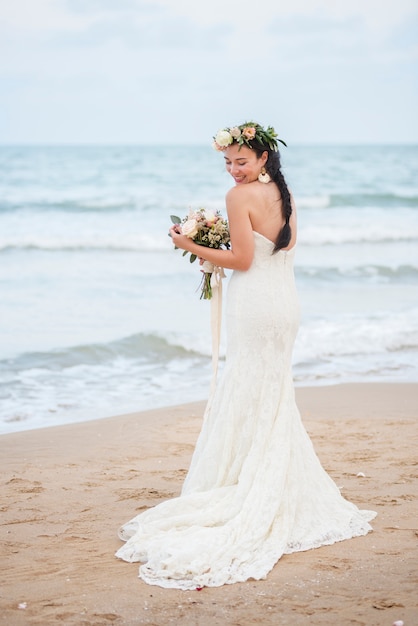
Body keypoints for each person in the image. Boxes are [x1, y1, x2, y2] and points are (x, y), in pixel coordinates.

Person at [115, 121, 376, 590]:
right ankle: (263, 477)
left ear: (262, 159)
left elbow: (242, 260)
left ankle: (250, 486)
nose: (234, 170)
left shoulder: (239, 199)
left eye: (242, 161)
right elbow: (278, 247)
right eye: (228, 162)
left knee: (253, 390)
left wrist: (189, 244)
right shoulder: (282, 190)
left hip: (256, 306)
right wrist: (215, 246)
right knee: (271, 395)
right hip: (285, 306)